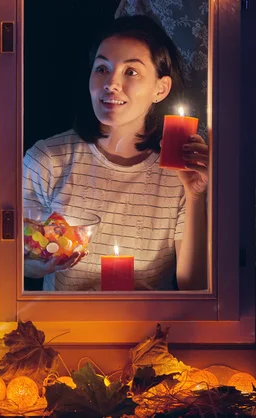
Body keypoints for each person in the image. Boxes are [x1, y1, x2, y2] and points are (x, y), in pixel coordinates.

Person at [23, 15, 208, 291]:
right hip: (64, 330)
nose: (111, 83)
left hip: (150, 331)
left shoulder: (178, 174)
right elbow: (14, 260)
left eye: (130, 72)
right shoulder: (48, 160)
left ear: (161, 88)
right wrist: (41, 262)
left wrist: (194, 196)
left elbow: (194, 286)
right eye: (101, 69)